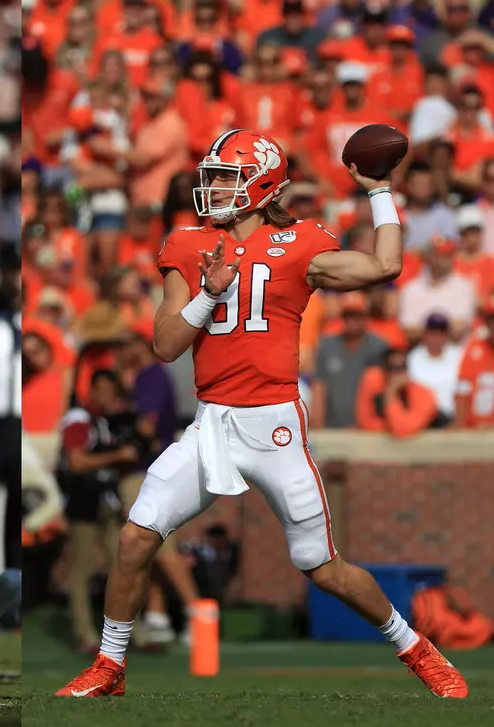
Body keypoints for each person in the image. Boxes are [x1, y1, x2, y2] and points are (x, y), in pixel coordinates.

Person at [56, 129, 468, 699]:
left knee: (323, 568)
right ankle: (110, 666)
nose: (214, 186)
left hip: (274, 424)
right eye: (214, 175)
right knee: (135, 537)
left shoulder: (302, 242)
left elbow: (385, 266)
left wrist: (377, 192)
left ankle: (417, 649)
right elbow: (166, 344)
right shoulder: (187, 243)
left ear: (264, 184)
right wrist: (208, 292)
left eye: (227, 175)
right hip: (210, 423)